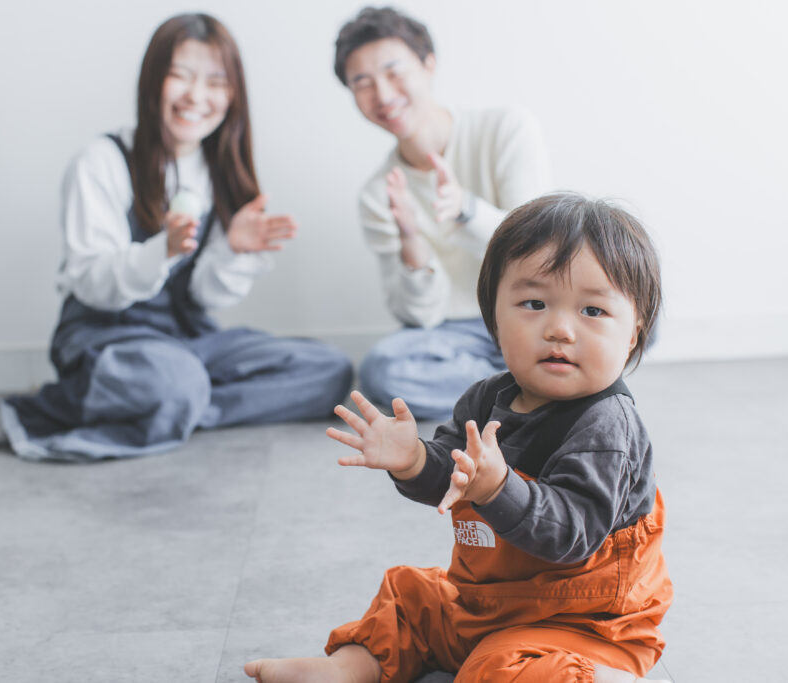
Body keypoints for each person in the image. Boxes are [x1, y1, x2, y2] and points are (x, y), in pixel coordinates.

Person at [245, 193, 672, 682]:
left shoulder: (606, 425)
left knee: (499, 669)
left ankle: (597, 677)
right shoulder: (486, 398)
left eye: (592, 311)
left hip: (583, 622)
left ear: (634, 333)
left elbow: (571, 536)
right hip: (486, 603)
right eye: (534, 303)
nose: (559, 328)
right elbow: (449, 482)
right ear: (493, 316)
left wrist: (497, 488)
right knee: (409, 596)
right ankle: (347, 669)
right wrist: (413, 462)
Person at [0, 13, 352, 461]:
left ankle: (170, 406)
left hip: (185, 343)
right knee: (176, 378)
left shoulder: (220, 174)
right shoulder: (102, 162)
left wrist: (232, 250)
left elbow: (205, 295)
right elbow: (92, 282)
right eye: (181, 76)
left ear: (233, 95)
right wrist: (163, 251)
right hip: (106, 336)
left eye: (216, 82)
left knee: (328, 372)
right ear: (153, 80)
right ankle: (21, 416)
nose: (197, 96)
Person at [334, 6, 552, 420]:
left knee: (625, 318)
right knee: (383, 369)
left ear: (428, 64)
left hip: (533, 312)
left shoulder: (507, 128)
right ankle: (543, 389)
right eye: (362, 83)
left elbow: (541, 253)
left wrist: (466, 211)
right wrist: (413, 246)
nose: (382, 94)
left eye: (393, 71)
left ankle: (520, 390)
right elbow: (419, 316)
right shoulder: (378, 192)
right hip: (460, 334)